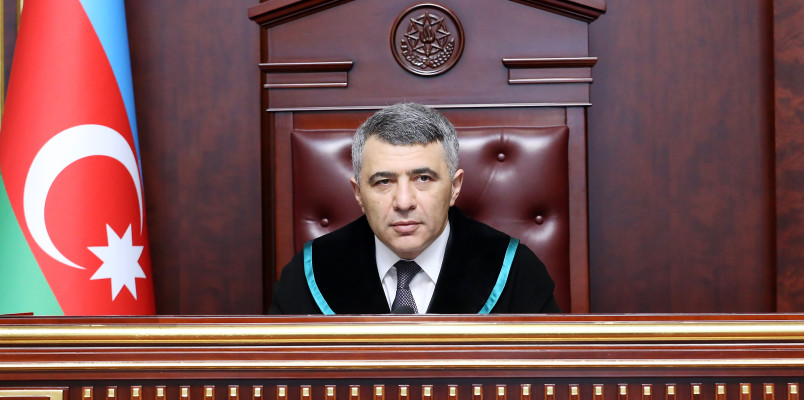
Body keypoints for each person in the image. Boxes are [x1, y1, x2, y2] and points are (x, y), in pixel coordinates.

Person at [269, 103, 560, 314]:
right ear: (358, 193)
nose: (404, 202)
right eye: (384, 182)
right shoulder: (308, 274)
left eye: (423, 179)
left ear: (455, 187)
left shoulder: (517, 272)